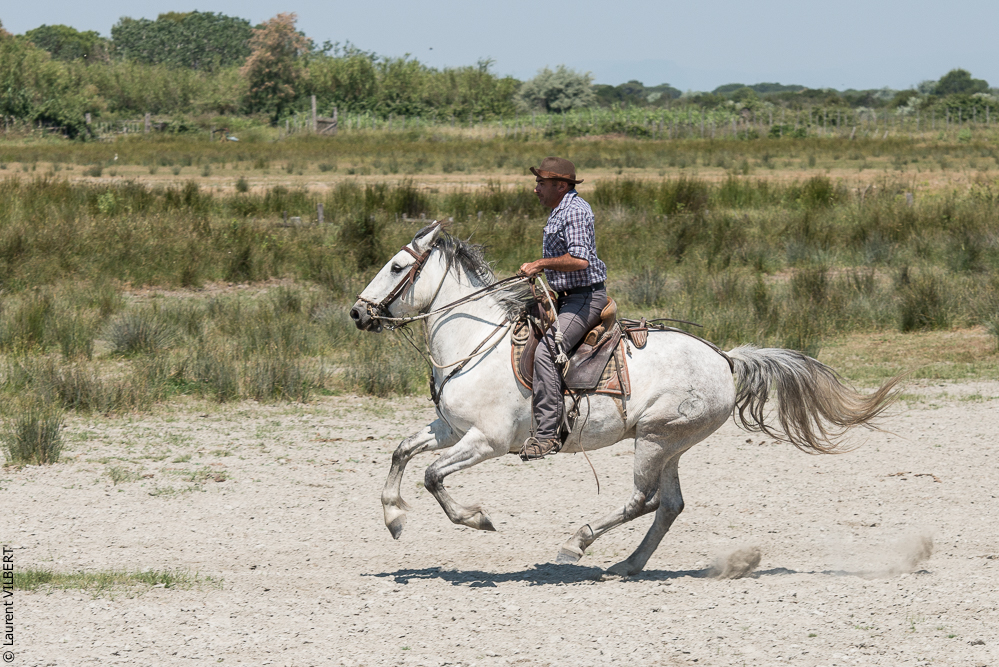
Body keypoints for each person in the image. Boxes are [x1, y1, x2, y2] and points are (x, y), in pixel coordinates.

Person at [518, 157, 608, 461]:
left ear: (561, 185)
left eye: (541, 183)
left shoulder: (575, 211)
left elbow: (580, 260)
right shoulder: (561, 209)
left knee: (546, 351)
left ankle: (546, 435)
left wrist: (540, 264)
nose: (536, 190)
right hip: (566, 296)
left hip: (584, 298)